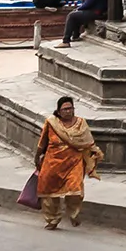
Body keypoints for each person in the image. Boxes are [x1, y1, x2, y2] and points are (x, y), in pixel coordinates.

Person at [33, 95, 100, 230]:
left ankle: (73, 214)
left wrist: (94, 154)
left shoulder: (81, 124)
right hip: (52, 162)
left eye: (71, 108)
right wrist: (37, 156)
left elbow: (88, 142)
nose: (69, 111)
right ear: (58, 111)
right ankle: (53, 219)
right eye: (65, 109)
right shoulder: (52, 123)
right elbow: (43, 142)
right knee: (48, 192)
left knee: (75, 190)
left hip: (73, 162)